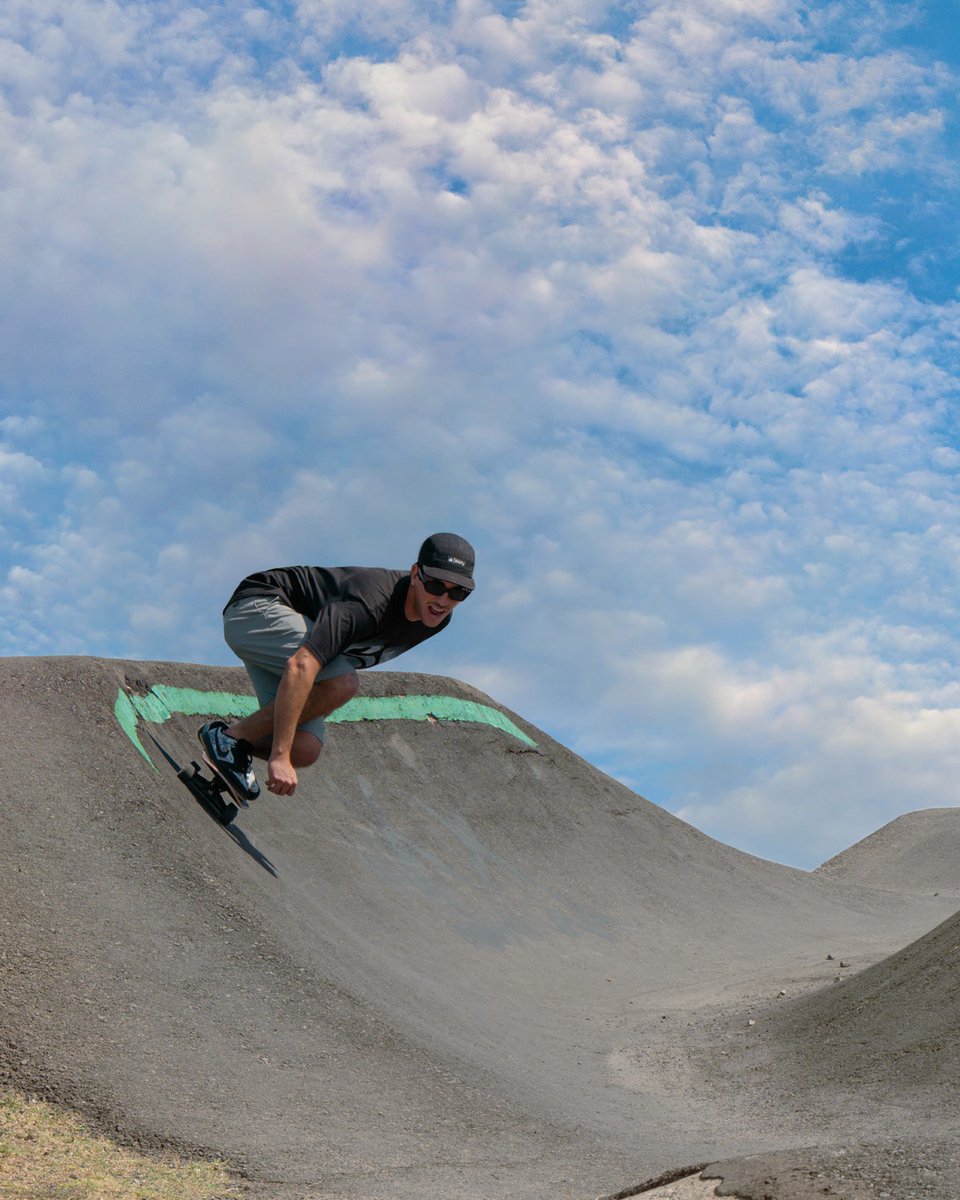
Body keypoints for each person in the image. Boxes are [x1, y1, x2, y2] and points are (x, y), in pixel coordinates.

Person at [198, 533, 475, 803]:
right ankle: (231, 739)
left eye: (458, 593)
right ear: (416, 574)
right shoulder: (371, 601)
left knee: (306, 748)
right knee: (343, 683)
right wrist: (279, 755)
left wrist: (312, 712)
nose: (443, 601)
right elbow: (302, 664)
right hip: (257, 607)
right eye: (437, 586)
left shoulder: (436, 621)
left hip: (284, 635)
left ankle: (228, 743)